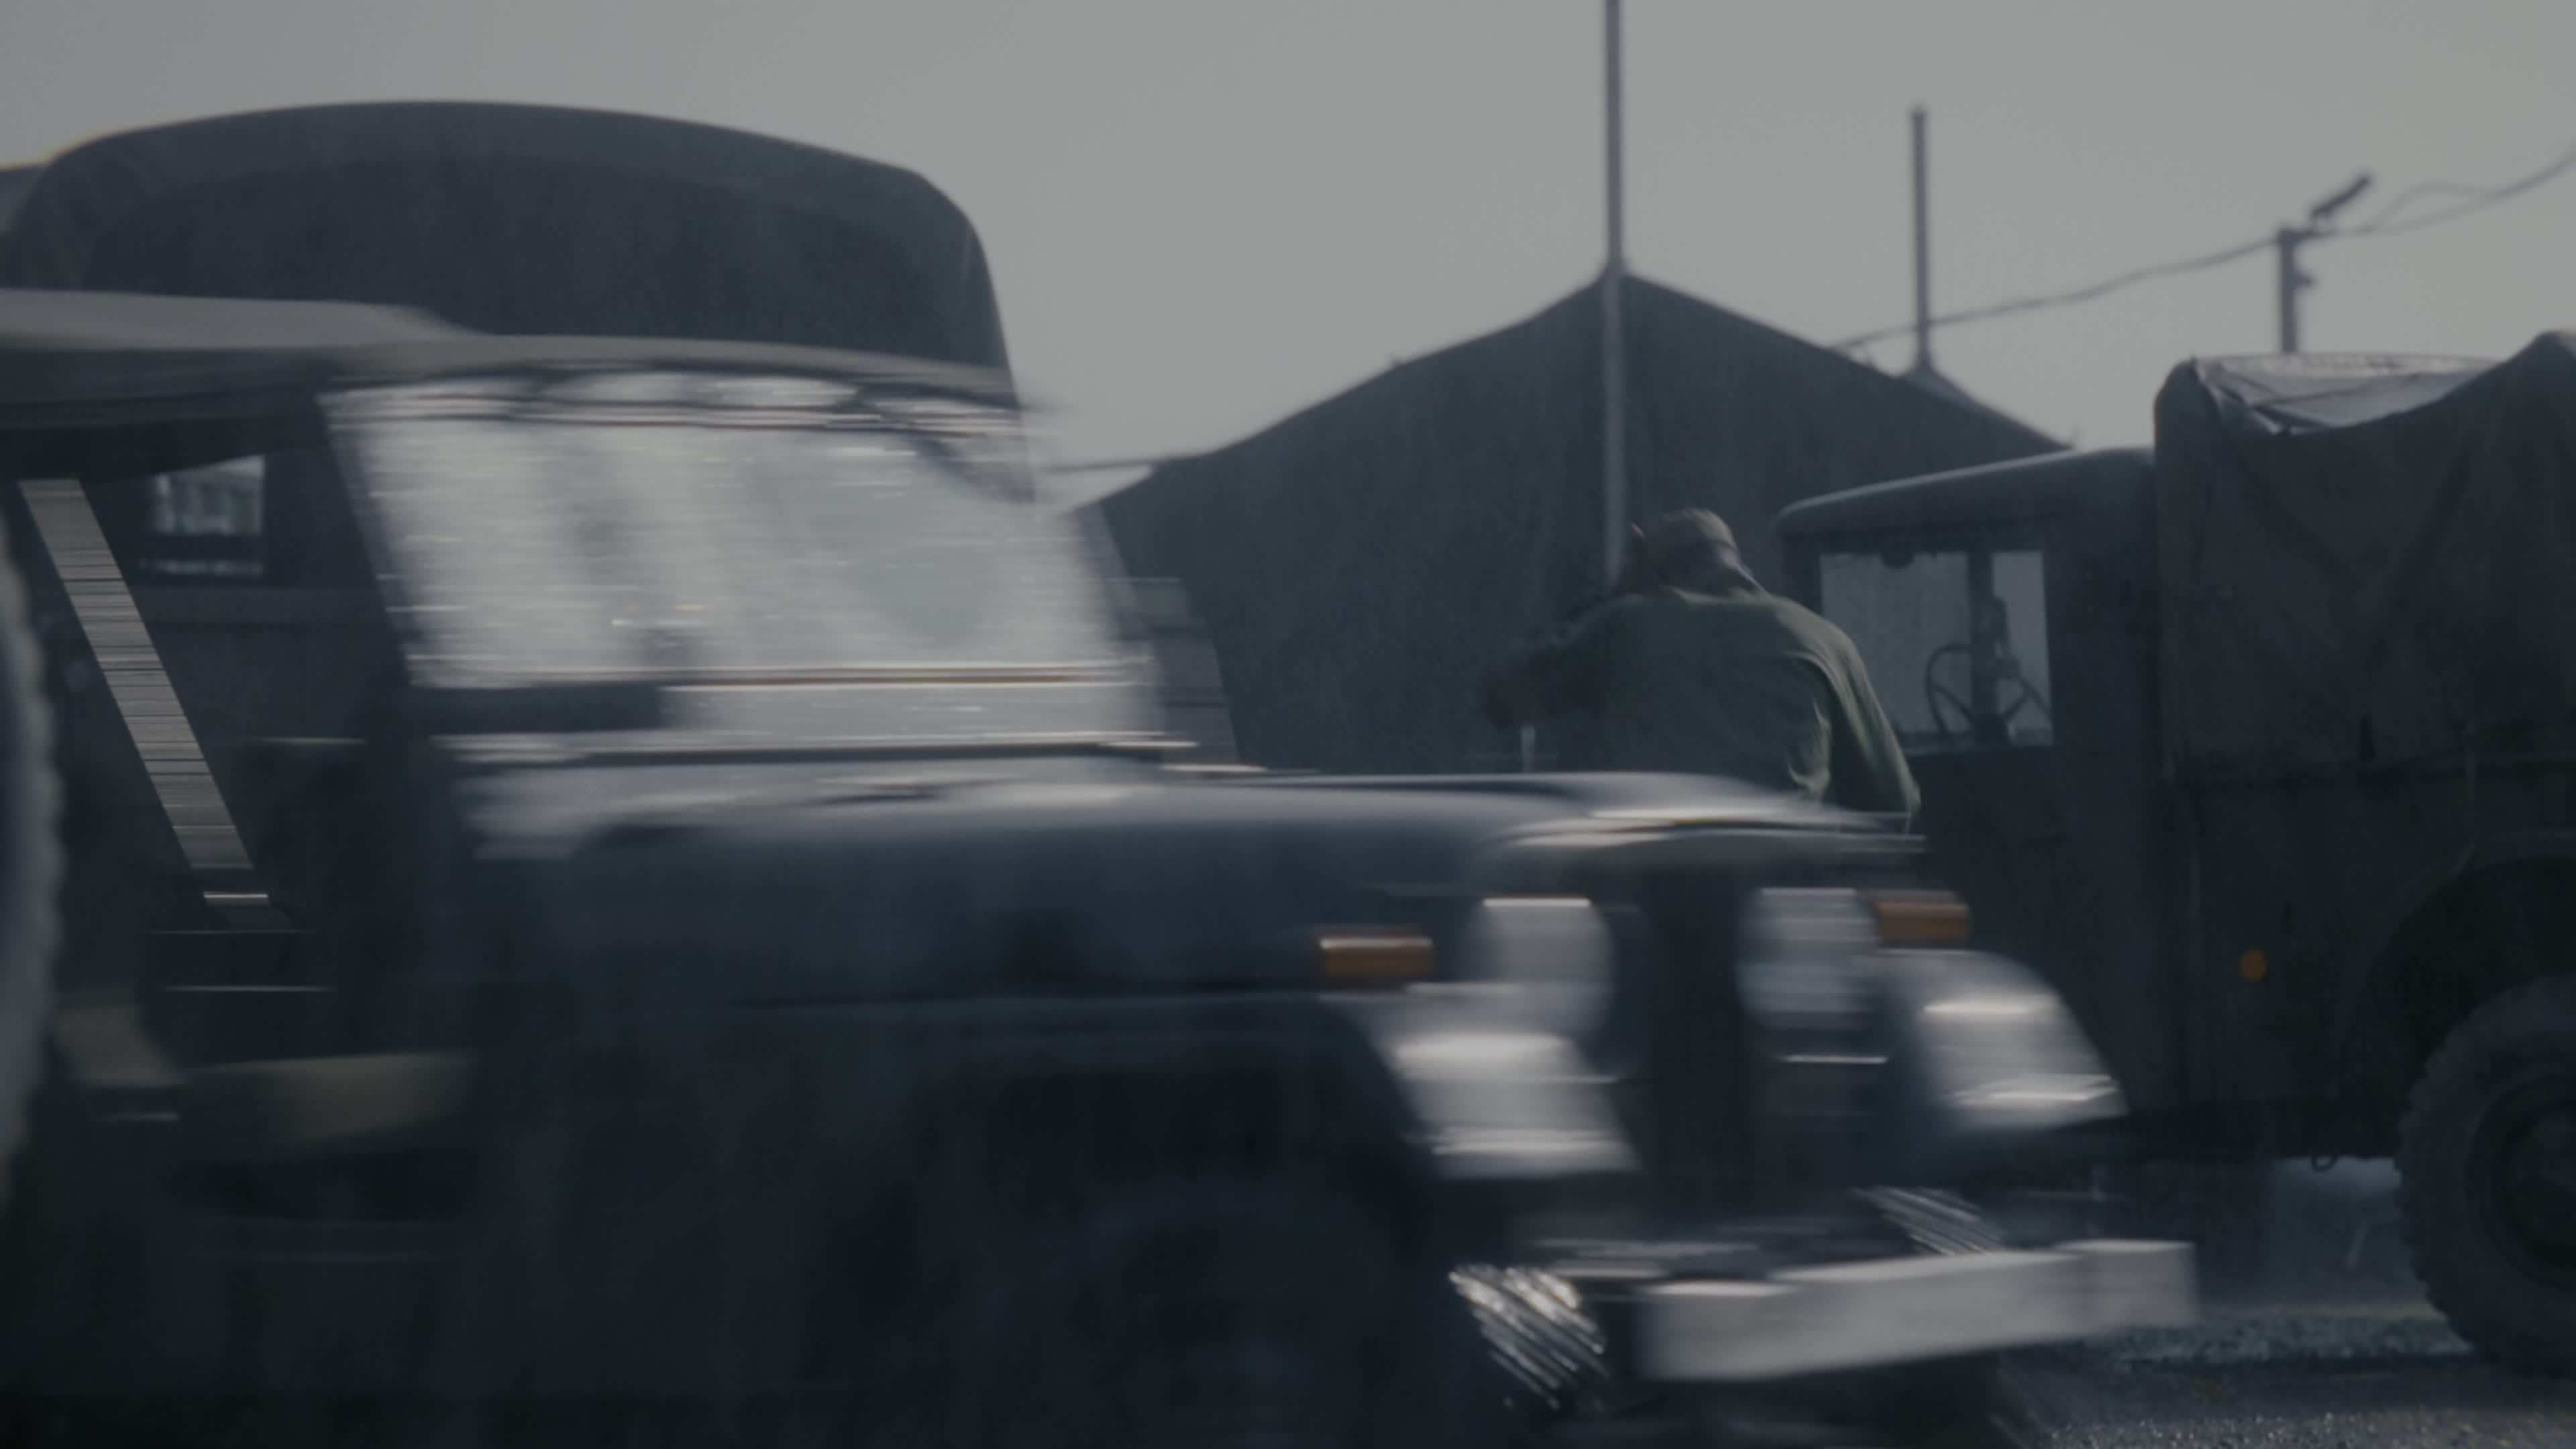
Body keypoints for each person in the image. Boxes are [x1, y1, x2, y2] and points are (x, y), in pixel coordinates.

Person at [1476, 508, 1919, 820]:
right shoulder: (1823, 639)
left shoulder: (1626, 628)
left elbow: (1502, 694)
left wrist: (1614, 596)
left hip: (1651, 884)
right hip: (1790, 888)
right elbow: (1893, 802)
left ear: (1650, 576)